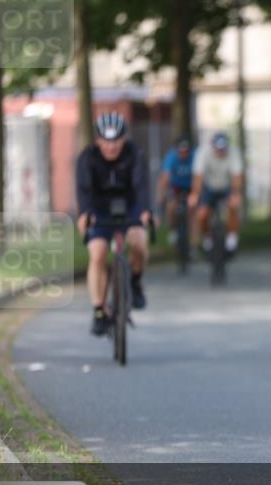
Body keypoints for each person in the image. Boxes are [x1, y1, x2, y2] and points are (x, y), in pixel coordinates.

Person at [76, 112, 152, 336]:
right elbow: (83, 190)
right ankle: (99, 309)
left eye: (116, 140)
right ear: (98, 140)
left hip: (129, 206)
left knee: (139, 243)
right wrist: (84, 214)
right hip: (99, 210)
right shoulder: (87, 157)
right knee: (98, 254)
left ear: (124, 139)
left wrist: (146, 211)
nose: (111, 146)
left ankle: (135, 281)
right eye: (107, 141)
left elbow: (141, 185)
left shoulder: (134, 154)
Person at [189, 131, 243, 253]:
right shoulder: (202, 152)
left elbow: (237, 176)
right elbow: (198, 177)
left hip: (226, 185)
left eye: (223, 149)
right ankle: (207, 238)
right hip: (209, 187)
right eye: (218, 149)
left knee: (233, 206)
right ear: (212, 146)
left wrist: (236, 193)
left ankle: (232, 238)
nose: (220, 152)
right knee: (202, 214)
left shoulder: (234, 152)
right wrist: (195, 194)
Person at [157, 137, 194, 246]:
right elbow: (165, 177)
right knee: (171, 207)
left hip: (190, 187)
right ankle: (173, 229)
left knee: (192, 210)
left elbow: (199, 176)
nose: (184, 154)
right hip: (176, 187)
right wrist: (161, 196)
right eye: (181, 151)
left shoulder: (195, 157)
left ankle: (193, 243)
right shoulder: (171, 157)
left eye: (186, 151)